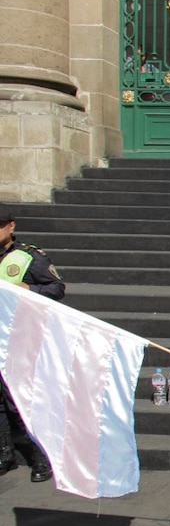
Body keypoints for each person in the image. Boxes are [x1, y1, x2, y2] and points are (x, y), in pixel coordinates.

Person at [0, 203, 64, 483]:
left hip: (19, 337)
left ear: (11, 226)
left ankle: (41, 457)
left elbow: (57, 288)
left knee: (20, 400)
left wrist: (30, 289)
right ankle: (5, 454)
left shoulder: (29, 257)